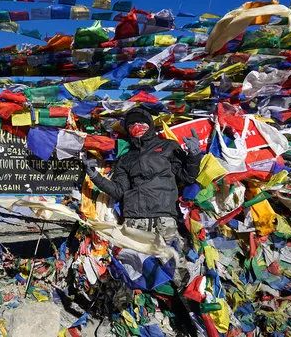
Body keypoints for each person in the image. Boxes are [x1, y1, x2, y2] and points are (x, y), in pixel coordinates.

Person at [82, 108, 201, 276]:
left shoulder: (168, 147)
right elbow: (119, 191)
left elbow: (187, 177)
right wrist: (95, 176)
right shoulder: (125, 159)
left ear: (150, 125)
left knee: (174, 268)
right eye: (132, 125)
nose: (137, 126)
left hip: (164, 219)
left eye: (141, 123)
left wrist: (194, 156)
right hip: (135, 222)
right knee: (138, 270)